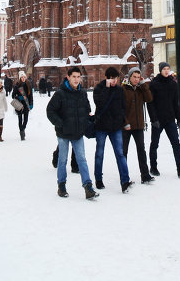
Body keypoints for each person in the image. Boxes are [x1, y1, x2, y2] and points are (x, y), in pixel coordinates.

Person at [46, 66, 98, 199]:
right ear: (68, 77)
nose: (76, 79)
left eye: (78, 77)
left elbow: (86, 109)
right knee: (62, 160)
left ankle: (88, 187)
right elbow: (50, 111)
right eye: (73, 77)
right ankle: (61, 186)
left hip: (77, 133)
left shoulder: (82, 93)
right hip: (63, 134)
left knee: (82, 159)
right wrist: (60, 124)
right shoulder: (60, 93)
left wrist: (88, 118)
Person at [93, 67, 133, 193]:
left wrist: (123, 122)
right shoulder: (99, 88)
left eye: (116, 78)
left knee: (120, 154)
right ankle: (98, 179)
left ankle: (125, 181)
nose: (114, 81)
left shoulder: (120, 90)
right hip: (102, 127)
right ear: (106, 78)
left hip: (115, 127)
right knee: (99, 154)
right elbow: (99, 103)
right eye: (111, 78)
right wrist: (107, 88)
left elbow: (123, 107)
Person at [148, 62, 180, 178]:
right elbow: (150, 103)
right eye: (164, 69)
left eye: (168, 69)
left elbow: (176, 103)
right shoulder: (154, 84)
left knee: (176, 144)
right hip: (158, 120)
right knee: (155, 144)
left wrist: (179, 118)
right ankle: (153, 167)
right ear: (160, 70)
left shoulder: (172, 84)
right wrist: (153, 119)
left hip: (170, 119)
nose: (166, 71)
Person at [122, 67, 154, 184]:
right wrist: (125, 123)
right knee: (123, 152)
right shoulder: (124, 89)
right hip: (126, 126)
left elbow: (149, 98)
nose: (136, 79)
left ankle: (145, 175)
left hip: (139, 125)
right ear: (129, 77)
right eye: (134, 77)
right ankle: (124, 176)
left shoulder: (141, 89)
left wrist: (143, 84)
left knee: (141, 150)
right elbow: (121, 108)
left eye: (138, 77)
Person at [12, 71, 33, 140]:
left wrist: (31, 104)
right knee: (20, 119)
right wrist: (19, 97)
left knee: (26, 119)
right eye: (21, 77)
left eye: (24, 77)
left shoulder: (28, 85)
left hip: (26, 104)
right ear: (19, 78)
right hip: (19, 105)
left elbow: (30, 96)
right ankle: (22, 133)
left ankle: (22, 129)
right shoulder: (17, 86)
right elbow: (13, 95)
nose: (23, 78)